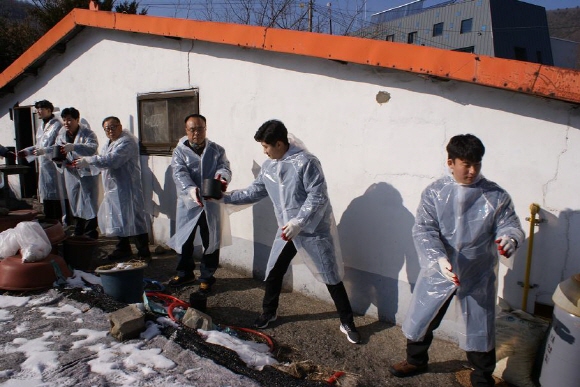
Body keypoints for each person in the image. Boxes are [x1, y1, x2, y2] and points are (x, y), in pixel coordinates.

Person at [389, 134, 524, 386]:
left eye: (477, 164)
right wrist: (438, 258)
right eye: (466, 164)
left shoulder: (495, 195)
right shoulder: (435, 193)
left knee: (480, 325)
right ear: (451, 162)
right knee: (425, 315)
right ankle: (415, 360)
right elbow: (424, 229)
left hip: (477, 271)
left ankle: (482, 377)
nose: (472, 171)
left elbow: (510, 225)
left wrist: (510, 239)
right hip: (441, 270)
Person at [223, 119, 361, 344]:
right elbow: (254, 192)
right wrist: (223, 197)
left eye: (266, 147)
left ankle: (347, 322)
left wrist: (299, 222)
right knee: (275, 270)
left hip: (312, 230)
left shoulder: (307, 163)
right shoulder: (269, 167)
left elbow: (318, 196)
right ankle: (269, 312)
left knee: (330, 275)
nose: (264, 152)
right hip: (287, 230)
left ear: (279, 143)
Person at [166, 114, 231, 294]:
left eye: (200, 128)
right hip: (188, 203)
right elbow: (179, 173)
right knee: (185, 240)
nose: (196, 133)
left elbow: (224, 167)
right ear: (186, 130)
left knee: (210, 240)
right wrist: (190, 189)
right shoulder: (179, 151)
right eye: (192, 129)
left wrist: (221, 177)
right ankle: (185, 272)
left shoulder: (216, 149)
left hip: (210, 203)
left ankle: (207, 276)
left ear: (205, 128)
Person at [73, 116, 151, 261]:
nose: (110, 131)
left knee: (135, 219)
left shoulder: (127, 142)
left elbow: (112, 160)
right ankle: (123, 248)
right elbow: (103, 159)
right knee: (117, 218)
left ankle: (144, 253)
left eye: (113, 127)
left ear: (120, 127)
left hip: (128, 188)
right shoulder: (109, 143)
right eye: (107, 129)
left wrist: (89, 160)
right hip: (114, 189)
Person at [18, 100, 67, 222]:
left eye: (41, 109)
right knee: (47, 193)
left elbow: (59, 146)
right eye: (37, 109)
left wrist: (44, 151)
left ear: (49, 110)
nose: (38, 111)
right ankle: (49, 218)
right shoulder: (42, 125)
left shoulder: (57, 126)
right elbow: (39, 145)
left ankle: (58, 220)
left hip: (54, 165)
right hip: (44, 165)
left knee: (56, 194)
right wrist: (27, 151)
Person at [55, 107, 99, 239]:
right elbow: (57, 151)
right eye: (64, 120)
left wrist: (74, 147)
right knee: (75, 200)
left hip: (86, 172)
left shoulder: (88, 133)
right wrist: (60, 161)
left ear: (77, 120)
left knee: (89, 201)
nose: (66, 123)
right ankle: (79, 229)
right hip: (71, 172)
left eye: (69, 120)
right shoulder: (61, 135)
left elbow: (92, 148)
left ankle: (91, 231)